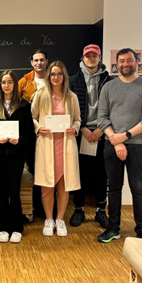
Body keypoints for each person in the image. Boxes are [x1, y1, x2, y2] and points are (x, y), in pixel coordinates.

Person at [97, 48, 142, 243]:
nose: (125, 64)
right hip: (112, 144)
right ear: (117, 64)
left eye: (129, 60)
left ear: (137, 62)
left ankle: (141, 229)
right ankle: (113, 228)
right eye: (122, 61)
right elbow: (102, 118)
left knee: (137, 187)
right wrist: (115, 140)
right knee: (113, 187)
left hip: (137, 144)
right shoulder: (108, 87)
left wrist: (125, 136)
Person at [31, 61, 81, 237]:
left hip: (65, 144)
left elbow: (77, 119)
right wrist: (38, 128)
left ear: (64, 76)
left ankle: (60, 219)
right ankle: (49, 219)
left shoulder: (72, 97)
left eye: (59, 74)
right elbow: (32, 117)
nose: (56, 77)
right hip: (47, 143)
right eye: (52, 74)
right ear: (48, 76)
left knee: (63, 184)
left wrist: (75, 128)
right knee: (47, 184)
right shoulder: (40, 95)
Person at [0, 70, 35, 243]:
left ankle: (17, 228)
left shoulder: (24, 105)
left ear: (15, 84)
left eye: (9, 82)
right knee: (2, 190)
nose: (6, 85)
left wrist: (20, 139)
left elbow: (29, 130)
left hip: (16, 153)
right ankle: (3, 228)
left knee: (14, 190)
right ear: (0, 85)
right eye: (3, 82)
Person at [68, 44, 112, 228]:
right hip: (81, 132)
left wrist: (102, 129)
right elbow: (69, 108)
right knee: (79, 172)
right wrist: (82, 128)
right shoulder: (72, 81)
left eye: (95, 56)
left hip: (103, 132)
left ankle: (101, 209)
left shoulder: (110, 81)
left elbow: (114, 107)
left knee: (102, 173)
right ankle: (79, 208)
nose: (91, 58)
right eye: (88, 56)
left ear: (100, 58)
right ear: (83, 58)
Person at [18, 49, 49, 219]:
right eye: (36, 60)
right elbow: (15, 103)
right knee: (33, 168)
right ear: (31, 62)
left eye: (42, 59)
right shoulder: (24, 82)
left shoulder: (54, 79)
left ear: (47, 61)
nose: (39, 63)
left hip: (50, 132)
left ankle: (46, 206)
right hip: (29, 132)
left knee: (47, 169)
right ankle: (35, 205)